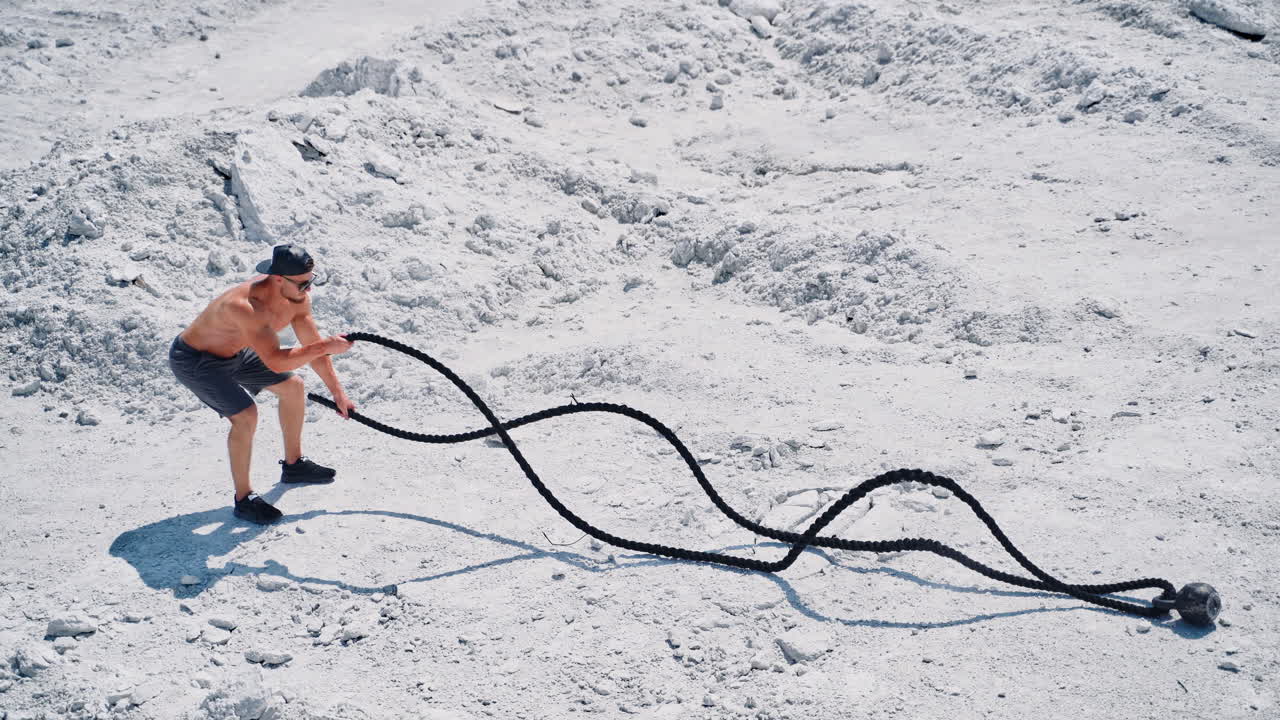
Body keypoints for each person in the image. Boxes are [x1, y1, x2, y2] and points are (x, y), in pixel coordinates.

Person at [168, 243, 357, 524]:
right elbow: (278, 361)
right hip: (196, 361)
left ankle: (294, 466)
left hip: (237, 353)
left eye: (311, 281)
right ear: (278, 278)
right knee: (246, 415)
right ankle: (243, 500)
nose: (309, 290)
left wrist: (339, 394)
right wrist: (324, 347)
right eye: (303, 284)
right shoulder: (245, 306)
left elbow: (313, 348)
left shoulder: (297, 298)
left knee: (293, 388)